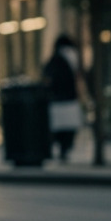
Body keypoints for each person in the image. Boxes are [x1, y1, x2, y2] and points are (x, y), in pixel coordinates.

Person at [42, 34, 83, 163]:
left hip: (57, 100)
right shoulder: (72, 58)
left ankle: (62, 149)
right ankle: (64, 149)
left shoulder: (54, 60)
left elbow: (46, 78)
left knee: (59, 129)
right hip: (69, 99)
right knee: (68, 129)